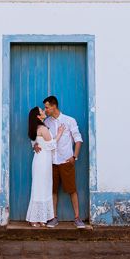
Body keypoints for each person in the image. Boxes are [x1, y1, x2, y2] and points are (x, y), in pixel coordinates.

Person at [34, 95, 84, 228]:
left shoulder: (69, 121)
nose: (45, 110)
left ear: (53, 106)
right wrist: (35, 144)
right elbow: (39, 135)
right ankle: (54, 217)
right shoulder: (47, 122)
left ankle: (77, 217)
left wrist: (75, 157)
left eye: (47, 107)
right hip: (51, 163)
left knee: (72, 189)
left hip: (66, 161)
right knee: (53, 190)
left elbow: (78, 139)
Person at [26, 106, 65, 227]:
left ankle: (40, 218)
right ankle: (37, 218)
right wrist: (59, 133)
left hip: (40, 159)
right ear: (38, 116)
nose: (44, 111)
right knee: (42, 188)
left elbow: (35, 142)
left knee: (40, 187)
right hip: (43, 161)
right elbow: (51, 144)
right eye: (42, 111)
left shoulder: (36, 128)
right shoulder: (43, 128)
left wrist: (35, 145)